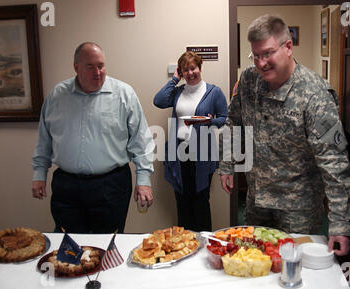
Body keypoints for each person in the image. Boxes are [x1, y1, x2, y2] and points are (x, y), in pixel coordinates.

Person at [220, 15, 350, 256]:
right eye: (256, 56)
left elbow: (334, 162)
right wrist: (227, 164)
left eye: (268, 53)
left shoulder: (315, 94)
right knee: (254, 264)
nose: (261, 63)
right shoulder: (249, 81)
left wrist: (340, 223)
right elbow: (234, 122)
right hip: (256, 201)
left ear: (288, 47)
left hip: (298, 211)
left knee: (295, 273)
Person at [31, 42, 154, 234]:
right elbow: (44, 139)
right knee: (69, 246)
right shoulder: (57, 96)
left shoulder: (124, 94)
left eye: (101, 65)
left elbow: (141, 140)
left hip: (111, 186)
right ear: (76, 67)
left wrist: (144, 179)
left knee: (108, 246)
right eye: (90, 67)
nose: (97, 72)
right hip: (67, 186)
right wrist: (39, 174)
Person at [153, 51, 228, 231]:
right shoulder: (178, 91)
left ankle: (203, 244)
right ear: (181, 72)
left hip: (202, 151)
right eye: (185, 70)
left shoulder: (213, 91)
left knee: (200, 199)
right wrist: (174, 79)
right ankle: (184, 243)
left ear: (200, 68)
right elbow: (158, 101)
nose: (190, 73)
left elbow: (225, 117)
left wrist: (210, 121)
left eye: (193, 68)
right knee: (182, 199)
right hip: (179, 151)